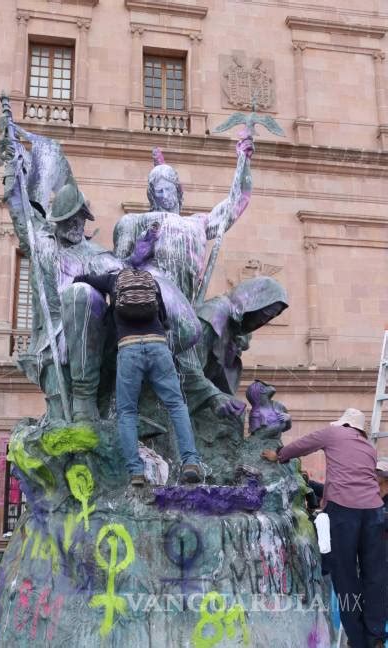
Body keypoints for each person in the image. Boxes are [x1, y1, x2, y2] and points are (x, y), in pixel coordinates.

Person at [112, 132, 255, 419]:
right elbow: (115, 273)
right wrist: (137, 256)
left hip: (188, 306)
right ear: (150, 196)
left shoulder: (197, 223)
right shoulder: (134, 221)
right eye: (157, 190)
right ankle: (203, 392)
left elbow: (234, 205)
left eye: (168, 188)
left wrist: (244, 160)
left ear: (179, 191)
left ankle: (201, 386)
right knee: (185, 328)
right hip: (151, 309)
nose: (164, 194)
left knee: (222, 311)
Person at [261, 408, 387, 648]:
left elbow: (303, 445)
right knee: (375, 577)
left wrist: (278, 455)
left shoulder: (333, 433)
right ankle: (376, 637)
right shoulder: (369, 448)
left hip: (344, 512)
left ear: (344, 424)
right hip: (374, 512)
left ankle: (359, 642)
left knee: (346, 577)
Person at [73, 268, 203, 487]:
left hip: (128, 348)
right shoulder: (150, 281)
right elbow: (163, 316)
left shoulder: (112, 278)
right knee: (176, 405)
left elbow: (81, 280)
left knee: (127, 412)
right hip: (158, 346)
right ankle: (191, 462)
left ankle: (136, 472)